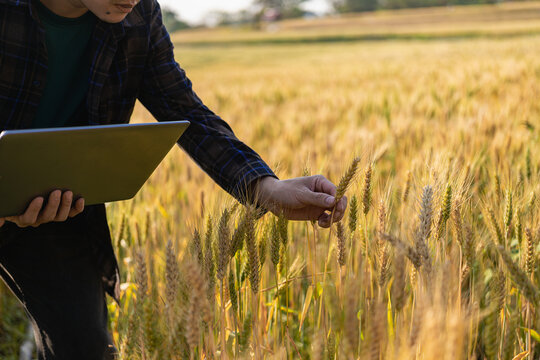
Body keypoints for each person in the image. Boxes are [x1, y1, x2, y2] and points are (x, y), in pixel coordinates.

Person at [0, 0, 348, 358]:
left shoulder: (139, 15)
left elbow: (184, 110)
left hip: (58, 207)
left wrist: (266, 188)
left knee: (85, 348)